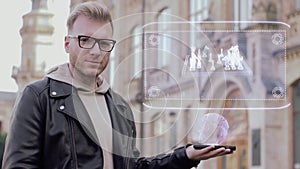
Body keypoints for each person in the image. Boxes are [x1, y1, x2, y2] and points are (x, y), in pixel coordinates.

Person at [2, 1, 233, 169]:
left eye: (104, 43)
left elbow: (134, 167)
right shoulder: (38, 97)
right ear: (67, 44)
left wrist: (186, 156)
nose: (95, 51)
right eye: (85, 40)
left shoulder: (119, 107)